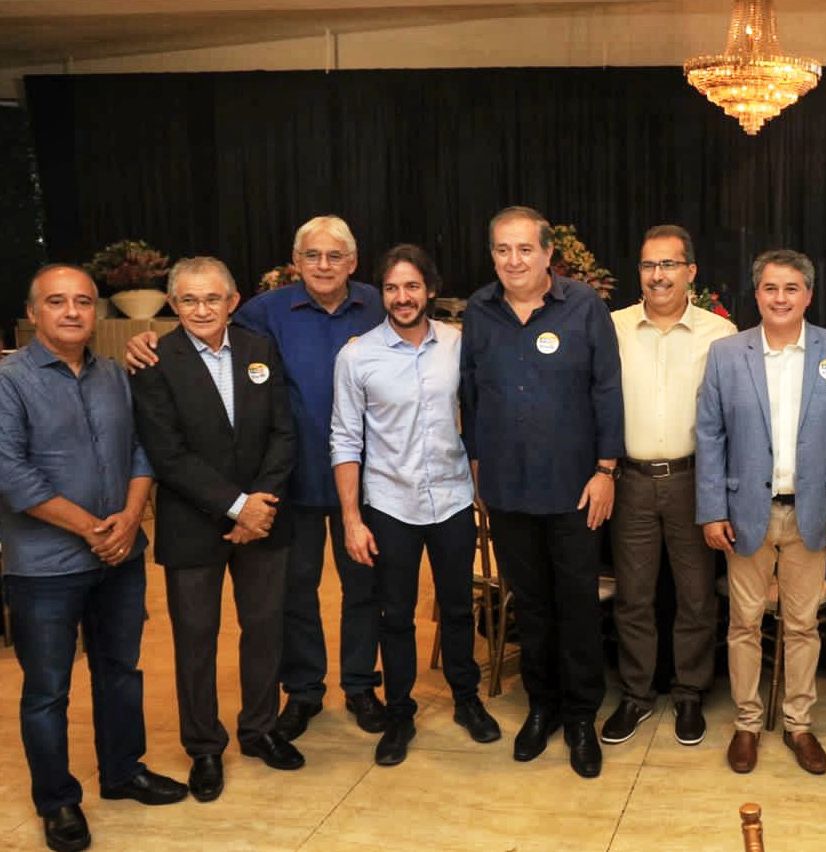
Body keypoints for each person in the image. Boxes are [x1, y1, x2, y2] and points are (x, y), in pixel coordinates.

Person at [125, 215, 388, 740]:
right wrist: (144, 341)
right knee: (295, 594)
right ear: (295, 262)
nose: (323, 265)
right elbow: (201, 335)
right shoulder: (264, 312)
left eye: (335, 256)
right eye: (311, 255)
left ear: (353, 262)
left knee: (363, 588)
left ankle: (360, 684)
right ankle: (304, 690)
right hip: (290, 484)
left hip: (365, 479)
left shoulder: (379, 306)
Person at [0, 264, 187, 852]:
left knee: (120, 672)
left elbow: (141, 450)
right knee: (48, 689)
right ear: (34, 313)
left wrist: (129, 519)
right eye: (57, 302)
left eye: (83, 301)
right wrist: (92, 529)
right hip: (44, 567)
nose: (73, 312)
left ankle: (122, 772)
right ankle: (57, 801)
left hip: (120, 556)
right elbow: (11, 473)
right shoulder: (9, 381)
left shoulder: (113, 375)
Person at [129, 257, 303, 804]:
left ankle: (260, 729)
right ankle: (204, 746)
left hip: (264, 520)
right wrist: (236, 507)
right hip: (193, 526)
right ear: (173, 305)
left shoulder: (259, 348)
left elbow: (283, 431)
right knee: (196, 640)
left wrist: (260, 504)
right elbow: (167, 453)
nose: (201, 310)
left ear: (232, 302)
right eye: (188, 300)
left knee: (265, 629)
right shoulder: (154, 361)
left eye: (212, 299)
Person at [461, 206, 624, 780]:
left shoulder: (584, 307)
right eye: (503, 250)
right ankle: (542, 707)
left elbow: (608, 390)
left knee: (576, 605)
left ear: (548, 253)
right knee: (529, 606)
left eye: (525, 249)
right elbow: (470, 395)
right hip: (507, 488)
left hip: (575, 488)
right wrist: (478, 469)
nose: (514, 260)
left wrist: (606, 469)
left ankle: (580, 717)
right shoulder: (479, 311)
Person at [696, 249, 826, 777]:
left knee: (801, 625)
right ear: (756, 295)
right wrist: (711, 509)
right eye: (770, 288)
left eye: (791, 288)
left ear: (809, 295)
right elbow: (710, 435)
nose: (780, 298)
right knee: (743, 624)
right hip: (744, 511)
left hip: (813, 512)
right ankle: (747, 723)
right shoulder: (727, 354)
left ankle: (798, 724)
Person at [331, 244, 501, 768]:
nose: (402, 297)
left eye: (411, 286)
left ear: (430, 290)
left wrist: (484, 493)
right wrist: (352, 519)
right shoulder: (356, 356)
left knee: (458, 607)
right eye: (391, 288)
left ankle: (466, 700)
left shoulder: (456, 344)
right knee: (396, 615)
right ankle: (400, 712)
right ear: (380, 293)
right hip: (390, 504)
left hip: (452, 499)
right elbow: (344, 439)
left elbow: (477, 420)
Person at [602, 225, 735, 747]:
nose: (658, 276)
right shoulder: (611, 327)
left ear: (691, 272)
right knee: (633, 597)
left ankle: (689, 692)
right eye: (648, 265)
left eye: (669, 265)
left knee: (696, 596)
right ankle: (636, 694)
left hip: (693, 480)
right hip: (630, 481)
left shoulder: (720, 334)